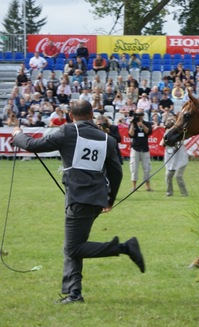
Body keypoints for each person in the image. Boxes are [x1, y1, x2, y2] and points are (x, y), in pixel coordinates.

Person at [11, 100, 144, 304]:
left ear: (71, 116)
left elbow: (33, 145)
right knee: (72, 244)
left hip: (79, 198)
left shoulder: (67, 131)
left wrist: (17, 134)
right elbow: (116, 173)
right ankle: (74, 293)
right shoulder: (107, 139)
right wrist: (109, 199)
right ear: (92, 114)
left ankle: (124, 247)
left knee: (73, 248)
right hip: (96, 199)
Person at [160, 119, 189, 197]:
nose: (168, 129)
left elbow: (180, 142)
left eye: (170, 127)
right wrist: (166, 137)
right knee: (168, 176)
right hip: (171, 161)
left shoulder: (179, 135)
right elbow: (162, 144)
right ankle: (169, 192)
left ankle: (184, 193)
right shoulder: (166, 135)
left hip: (181, 160)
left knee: (178, 176)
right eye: (167, 127)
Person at [128, 108, 153, 191]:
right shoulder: (132, 124)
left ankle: (147, 186)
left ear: (143, 115)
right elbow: (131, 135)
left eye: (140, 114)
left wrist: (142, 125)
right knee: (134, 168)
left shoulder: (147, 123)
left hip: (145, 148)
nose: (139, 116)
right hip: (135, 148)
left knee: (147, 168)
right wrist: (132, 124)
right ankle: (134, 186)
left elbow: (148, 132)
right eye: (137, 114)